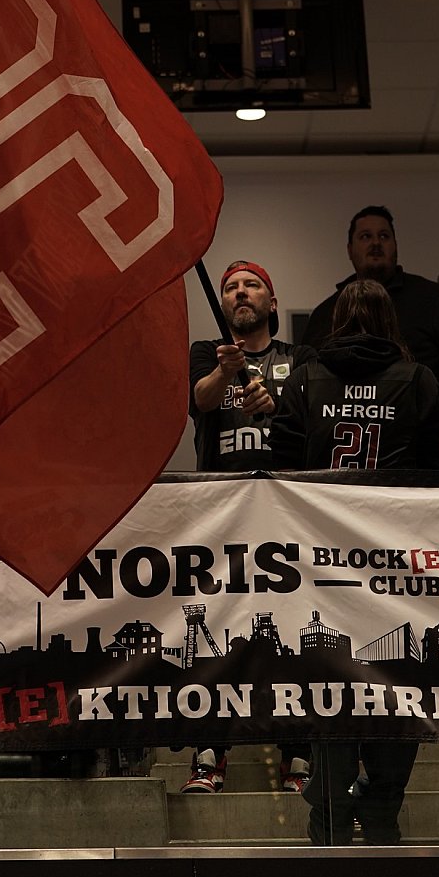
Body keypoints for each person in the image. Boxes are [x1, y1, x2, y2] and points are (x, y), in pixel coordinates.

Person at [269, 279, 439, 846]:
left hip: (322, 567)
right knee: (399, 687)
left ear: (335, 322)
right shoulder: (416, 380)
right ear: (391, 322)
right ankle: (383, 811)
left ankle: (329, 825)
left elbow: (278, 472)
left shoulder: (305, 379)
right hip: (397, 566)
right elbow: (434, 477)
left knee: (331, 691)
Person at [185, 260, 316, 796]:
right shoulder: (205, 352)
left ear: (272, 302)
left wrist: (276, 406)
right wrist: (225, 373)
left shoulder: (301, 358)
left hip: (288, 516)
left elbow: (313, 420)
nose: (241, 293)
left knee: (295, 636)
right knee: (218, 633)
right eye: (231, 287)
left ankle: (297, 757)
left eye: (252, 285)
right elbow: (200, 400)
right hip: (223, 514)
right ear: (222, 304)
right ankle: (209, 755)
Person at [302, 205, 439, 449]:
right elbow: (307, 376)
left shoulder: (432, 300)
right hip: (342, 445)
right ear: (350, 250)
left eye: (384, 236)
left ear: (395, 246)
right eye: (365, 236)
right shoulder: (327, 312)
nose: (376, 243)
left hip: (415, 446)